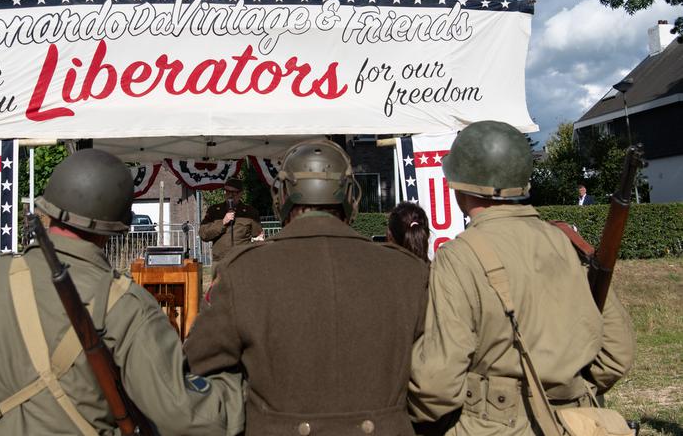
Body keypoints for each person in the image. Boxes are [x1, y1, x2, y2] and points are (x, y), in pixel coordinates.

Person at [0, 149, 244, 435]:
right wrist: (237, 389)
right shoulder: (124, 303)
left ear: (47, 208)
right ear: (119, 223)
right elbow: (185, 415)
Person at [185, 139, 429, 435]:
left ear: (281, 197)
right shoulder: (408, 271)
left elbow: (196, 372)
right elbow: (436, 381)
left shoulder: (242, 272)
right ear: (351, 196)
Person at [408, 121, 635, 435]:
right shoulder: (564, 242)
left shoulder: (458, 257)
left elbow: (436, 386)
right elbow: (615, 355)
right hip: (573, 423)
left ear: (459, 185)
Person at [199, 176, 264, 272]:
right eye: (227, 192)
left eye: (234, 192)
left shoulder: (250, 212)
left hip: (242, 261)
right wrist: (223, 222)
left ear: (241, 193)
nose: (230, 195)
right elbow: (204, 235)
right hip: (220, 262)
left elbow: (259, 237)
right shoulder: (214, 211)